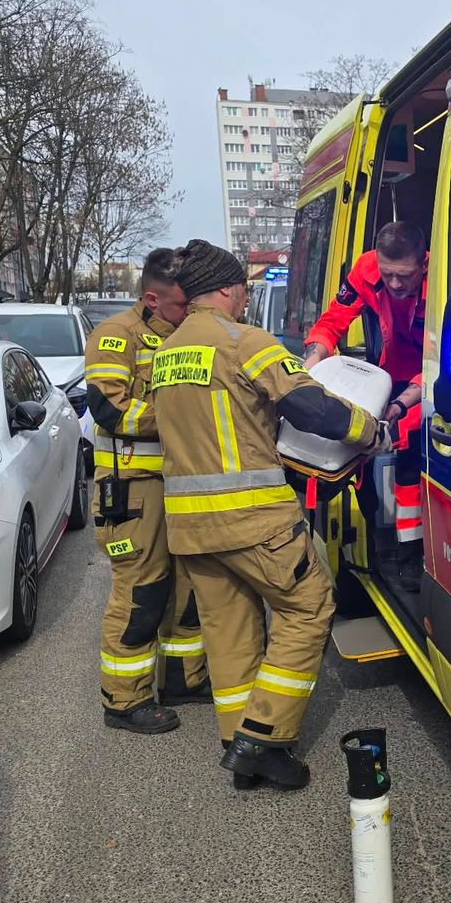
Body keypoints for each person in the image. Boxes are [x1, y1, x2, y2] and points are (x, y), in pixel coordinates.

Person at [152, 239, 381, 791]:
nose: (246, 300)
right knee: (308, 606)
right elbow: (310, 404)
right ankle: (265, 737)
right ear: (229, 289)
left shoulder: (169, 350)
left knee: (228, 631)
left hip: (189, 524)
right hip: (251, 516)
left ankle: (238, 745)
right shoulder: (243, 341)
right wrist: (369, 429)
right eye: (245, 291)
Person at [85, 247, 210, 734]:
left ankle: (182, 677)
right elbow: (110, 409)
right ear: (153, 300)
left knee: (185, 585)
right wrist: (181, 416)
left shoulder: (183, 336)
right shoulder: (117, 336)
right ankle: (123, 700)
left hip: (178, 484)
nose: (189, 313)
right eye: (182, 306)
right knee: (141, 591)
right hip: (133, 490)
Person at [303, 220, 427, 587]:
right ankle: (374, 546)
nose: (395, 284)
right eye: (388, 275)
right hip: (388, 374)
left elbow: (436, 360)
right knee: (360, 452)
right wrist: (307, 371)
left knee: (409, 454)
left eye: (404, 276)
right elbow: (332, 324)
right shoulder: (366, 269)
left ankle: (410, 553)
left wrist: (400, 407)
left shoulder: (441, 281)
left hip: (428, 375)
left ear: (422, 265)